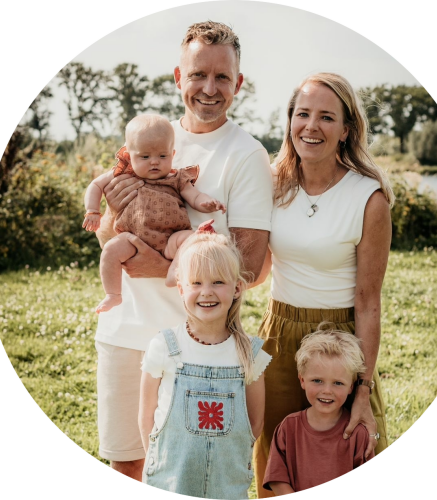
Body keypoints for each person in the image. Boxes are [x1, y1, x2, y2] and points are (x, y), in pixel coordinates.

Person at [93, 21, 273, 482]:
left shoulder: (247, 155)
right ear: (178, 78)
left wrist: (160, 266)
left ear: (238, 83)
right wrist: (113, 222)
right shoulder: (147, 136)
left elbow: (250, 268)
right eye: (197, 75)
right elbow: (109, 231)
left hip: (197, 345)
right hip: (126, 330)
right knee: (127, 463)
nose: (209, 88)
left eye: (221, 77)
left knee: (188, 473)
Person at [252, 72, 395, 498]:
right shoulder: (271, 184)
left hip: (342, 339)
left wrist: (363, 389)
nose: (311, 126)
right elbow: (256, 270)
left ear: (346, 129)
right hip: (278, 335)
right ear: (290, 120)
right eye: (302, 114)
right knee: (275, 461)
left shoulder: (369, 198)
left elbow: (368, 302)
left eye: (326, 117)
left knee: (353, 448)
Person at [139, 224, 271, 498]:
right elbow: (147, 416)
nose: (206, 292)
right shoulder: (165, 346)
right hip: (170, 479)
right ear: (181, 289)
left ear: (237, 288)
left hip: (227, 485)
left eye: (218, 282)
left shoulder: (249, 354)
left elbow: (254, 424)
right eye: (196, 283)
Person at [82, 113, 226, 313]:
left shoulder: (177, 178)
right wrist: (92, 211)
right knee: (111, 250)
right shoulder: (122, 174)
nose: (154, 162)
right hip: (132, 239)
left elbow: (194, 197)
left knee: (192, 239)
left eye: (162, 156)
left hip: (170, 238)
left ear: (172, 154)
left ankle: (174, 270)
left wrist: (207, 203)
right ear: (129, 156)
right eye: (145, 157)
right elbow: (96, 185)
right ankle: (113, 294)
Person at [263, 322, 373, 495]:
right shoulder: (288, 428)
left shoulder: (357, 433)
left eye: (338, 383)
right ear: (302, 380)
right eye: (317, 381)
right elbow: (277, 478)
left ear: (351, 386)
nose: (327, 390)